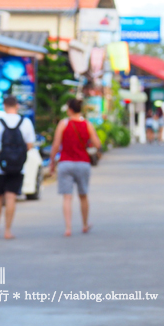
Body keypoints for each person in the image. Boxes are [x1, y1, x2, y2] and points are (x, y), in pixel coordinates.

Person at [0, 95, 36, 240]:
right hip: (18, 167)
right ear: (17, 106)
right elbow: (30, 145)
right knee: (11, 196)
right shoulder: (25, 122)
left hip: (0, 166)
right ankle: (7, 230)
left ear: (4, 106)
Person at [50, 98, 101, 237]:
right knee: (83, 195)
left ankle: (68, 228)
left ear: (70, 110)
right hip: (83, 163)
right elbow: (97, 144)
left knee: (67, 197)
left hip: (65, 163)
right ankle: (84, 225)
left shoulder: (63, 124)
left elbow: (56, 145)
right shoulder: (87, 125)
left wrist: (52, 162)